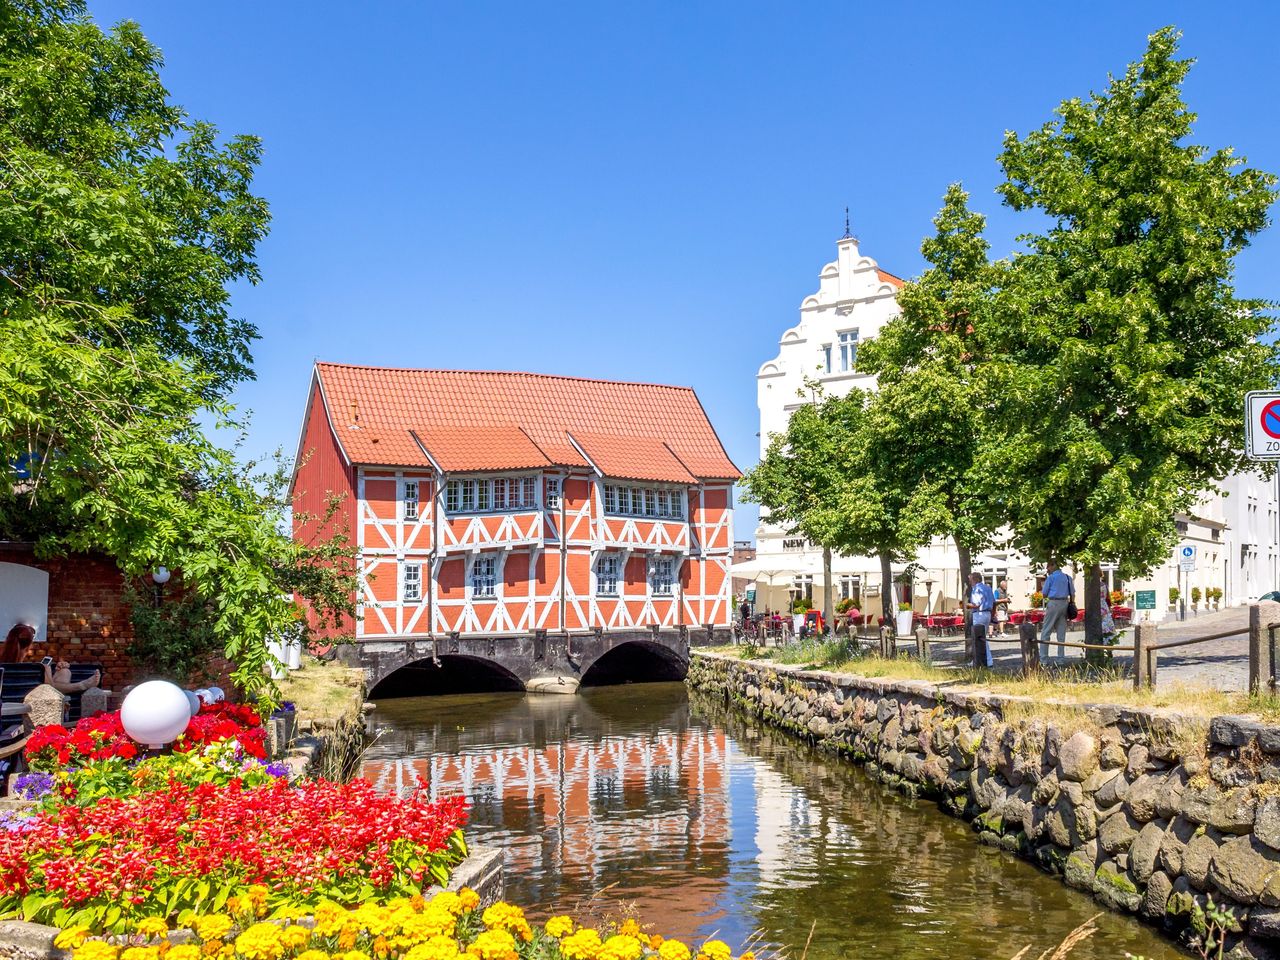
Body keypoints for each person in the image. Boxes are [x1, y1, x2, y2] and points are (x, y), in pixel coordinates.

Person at [1, 623, 101, 693]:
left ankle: (80, 684)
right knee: (60, 676)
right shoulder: (36, 670)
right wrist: (46, 670)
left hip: (6, 708)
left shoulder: (7, 668)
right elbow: (50, 692)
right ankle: (81, 685)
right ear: (29, 646)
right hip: (31, 708)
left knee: (63, 672)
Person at [1039, 560, 1076, 660]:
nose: (1047, 569)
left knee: (1046, 631)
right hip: (1064, 603)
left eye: (1048, 566)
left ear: (1053, 565)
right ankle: (1061, 659)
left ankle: (1043, 659)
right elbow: (1072, 593)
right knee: (1061, 633)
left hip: (1054, 603)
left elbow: (1044, 594)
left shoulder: (1051, 578)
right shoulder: (1068, 578)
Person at [965, 573, 995, 669]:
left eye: (971, 580)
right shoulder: (988, 588)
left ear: (976, 579)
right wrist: (992, 615)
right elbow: (994, 603)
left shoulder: (976, 589)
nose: (970, 582)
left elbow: (976, 604)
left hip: (979, 614)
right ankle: (980, 659)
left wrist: (967, 605)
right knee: (982, 638)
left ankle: (986, 661)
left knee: (979, 638)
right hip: (987, 613)